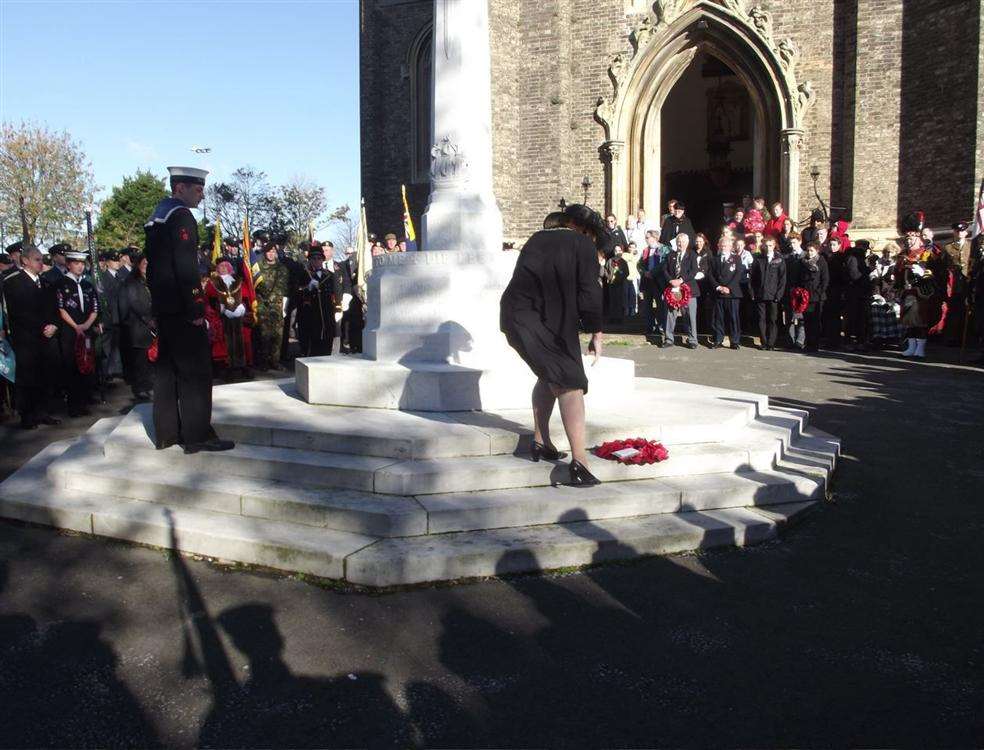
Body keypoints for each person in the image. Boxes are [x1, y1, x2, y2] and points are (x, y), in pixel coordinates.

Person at [500, 203, 604, 487]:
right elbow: (590, 291)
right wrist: (596, 331)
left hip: (515, 316)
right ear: (584, 228)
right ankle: (580, 462)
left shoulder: (536, 239)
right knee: (570, 380)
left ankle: (540, 441)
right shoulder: (582, 244)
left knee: (549, 374)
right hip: (545, 319)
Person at [144, 166, 233, 454]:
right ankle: (197, 435)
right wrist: (196, 307)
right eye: (197, 188)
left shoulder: (158, 215)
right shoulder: (180, 216)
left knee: (167, 372)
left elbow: (154, 270)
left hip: (166, 308)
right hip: (183, 309)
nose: (202, 193)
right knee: (195, 373)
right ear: (179, 187)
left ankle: (167, 434)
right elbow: (185, 268)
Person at [1, 244, 61, 428]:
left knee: (45, 375)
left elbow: (53, 308)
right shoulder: (12, 282)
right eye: (37, 260)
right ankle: (27, 416)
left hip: (46, 337)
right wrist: (42, 326)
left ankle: (43, 412)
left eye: (42, 260)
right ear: (25, 260)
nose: (41, 263)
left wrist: (54, 325)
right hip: (26, 338)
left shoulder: (45, 283)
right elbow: (18, 312)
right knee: (27, 378)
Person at [53, 250, 99, 416]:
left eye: (82, 263)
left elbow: (94, 307)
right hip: (70, 332)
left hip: (86, 330)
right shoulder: (61, 283)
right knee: (72, 367)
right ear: (68, 264)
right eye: (76, 263)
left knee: (86, 365)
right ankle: (73, 405)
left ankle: (84, 401)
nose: (80, 266)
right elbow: (61, 308)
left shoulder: (87, 285)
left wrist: (86, 325)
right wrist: (76, 326)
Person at [118, 253, 154, 401]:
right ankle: (140, 388)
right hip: (138, 325)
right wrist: (148, 319)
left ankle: (149, 384)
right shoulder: (132, 281)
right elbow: (134, 303)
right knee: (140, 359)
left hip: (152, 323)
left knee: (150, 358)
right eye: (144, 264)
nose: (146, 267)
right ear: (138, 265)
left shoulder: (150, 281)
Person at [251, 242, 290, 370]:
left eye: (273, 251)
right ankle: (263, 362)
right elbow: (255, 285)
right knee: (263, 334)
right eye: (268, 251)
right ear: (264, 253)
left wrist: (272, 298)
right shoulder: (257, 267)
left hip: (277, 305)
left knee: (277, 335)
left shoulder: (282, 268)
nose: (271, 254)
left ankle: (275, 361)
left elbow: (282, 286)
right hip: (262, 305)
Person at [659, 233, 701, 349]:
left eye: (682, 241)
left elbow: (694, 271)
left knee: (690, 315)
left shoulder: (692, 254)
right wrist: (671, 281)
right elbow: (665, 270)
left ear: (687, 243)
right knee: (670, 314)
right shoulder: (670, 255)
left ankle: (692, 340)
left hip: (689, 290)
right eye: (678, 241)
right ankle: (668, 339)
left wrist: (681, 280)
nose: (680, 244)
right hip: (672, 289)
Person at [296, 245, 336, 357]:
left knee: (326, 339)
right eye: (314, 258)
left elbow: (334, 293)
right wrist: (307, 287)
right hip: (310, 314)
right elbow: (296, 292)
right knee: (311, 342)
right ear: (309, 260)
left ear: (323, 260)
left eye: (319, 258)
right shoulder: (303, 274)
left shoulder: (329, 275)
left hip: (326, 312)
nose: (317, 261)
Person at [750, 235, 787, 350]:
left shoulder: (779, 259)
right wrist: (753, 292)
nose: (768, 247)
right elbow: (753, 278)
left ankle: (771, 343)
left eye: (771, 245)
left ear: (774, 246)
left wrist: (779, 294)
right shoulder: (759, 259)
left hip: (774, 295)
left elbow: (782, 279)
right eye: (766, 245)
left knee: (772, 319)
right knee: (761, 319)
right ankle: (764, 342)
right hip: (760, 294)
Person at [706, 236, 743, 349]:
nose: (723, 247)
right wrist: (718, 287)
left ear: (730, 247)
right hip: (718, 293)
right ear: (718, 246)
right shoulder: (714, 259)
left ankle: (735, 341)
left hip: (732, 294)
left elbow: (738, 274)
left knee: (733, 318)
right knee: (718, 318)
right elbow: (710, 275)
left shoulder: (736, 259)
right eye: (722, 245)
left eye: (726, 245)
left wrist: (729, 288)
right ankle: (718, 339)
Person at [96, 249, 125, 381]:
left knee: (118, 344)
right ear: (107, 262)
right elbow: (101, 299)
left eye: (118, 260)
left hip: (120, 315)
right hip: (109, 316)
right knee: (108, 346)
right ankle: (109, 373)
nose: (117, 263)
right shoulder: (103, 278)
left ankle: (117, 370)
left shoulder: (120, 276)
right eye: (114, 260)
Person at [842, 239, 871, 350]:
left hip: (861, 293)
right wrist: (868, 271)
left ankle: (860, 341)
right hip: (854, 293)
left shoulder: (859, 258)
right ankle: (848, 342)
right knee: (852, 318)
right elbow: (854, 275)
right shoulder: (853, 258)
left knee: (861, 319)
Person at [800, 242, 829, 352]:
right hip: (805, 295)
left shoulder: (821, 261)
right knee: (807, 320)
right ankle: (808, 343)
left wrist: (820, 291)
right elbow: (800, 277)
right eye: (808, 250)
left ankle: (815, 344)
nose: (809, 253)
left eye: (812, 250)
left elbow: (825, 279)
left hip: (817, 296)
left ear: (817, 251)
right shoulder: (803, 262)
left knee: (815, 321)